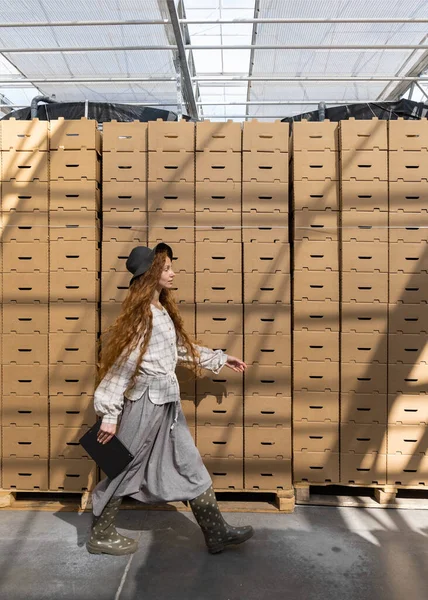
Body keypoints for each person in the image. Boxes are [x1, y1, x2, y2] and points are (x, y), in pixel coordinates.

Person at [87, 242, 254, 556]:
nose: (172, 273)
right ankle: (100, 534)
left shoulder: (159, 310)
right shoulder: (142, 317)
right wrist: (109, 414)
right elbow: (122, 365)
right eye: (166, 268)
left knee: (189, 463)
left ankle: (216, 533)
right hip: (146, 404)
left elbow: (178, 349)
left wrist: (220, 358)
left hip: (167, 405)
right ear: (151, 274)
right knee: (124, 467)